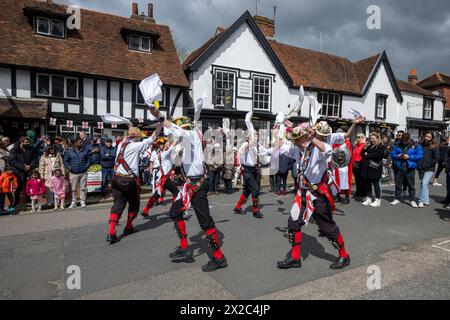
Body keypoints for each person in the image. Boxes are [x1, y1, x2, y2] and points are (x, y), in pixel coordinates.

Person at [157, 112, 228, 272]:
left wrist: (162, 119)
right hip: (190, 185)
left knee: (205, 222)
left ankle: (219, 257)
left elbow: (180, 133)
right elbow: (178, 161)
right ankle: (185, 247)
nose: (175, 137)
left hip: (198, 185)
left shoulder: (191, 135)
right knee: (175, 212)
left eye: (177, 133)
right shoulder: (187, 143)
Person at [277, 122, 350, 270]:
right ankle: (295, 258)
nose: (294, 142)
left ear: (304, 138)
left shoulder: (317, 148)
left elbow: (328, 151)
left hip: (318, 195)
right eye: (293, 140)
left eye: (296, 139)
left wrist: (313, 139)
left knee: (327, 227)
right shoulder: (297, 150)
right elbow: (281, 147)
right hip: (303, 193)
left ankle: (344, 255)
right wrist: (278, 128)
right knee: (293, 223)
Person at [107, 122, 163, 244]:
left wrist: (130, 127)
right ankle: (128, 227)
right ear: (136, 137)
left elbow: (128, 136)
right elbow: (153, 137)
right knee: (134, 204)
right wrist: (160, 125)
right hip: (129, 181)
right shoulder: (137, 146)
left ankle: (111, 232)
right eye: (139, 136)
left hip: (116, 178)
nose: (141, 138)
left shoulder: (121, 144)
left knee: (118, 204)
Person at [234, 112, 263, 218]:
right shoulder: (247, 144)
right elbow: (239, 153)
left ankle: (237, 207)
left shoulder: (255, 146)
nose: (257, 136)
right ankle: (255, 210)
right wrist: (239, 165)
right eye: (255, 135)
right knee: (255, 190)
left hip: (254, 170)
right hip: (247, 170)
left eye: (257, 135)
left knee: (247, 190)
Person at [141, 138, 179, 218]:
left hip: (163, 177)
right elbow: (172, 146)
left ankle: (145, 210)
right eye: (162, 144)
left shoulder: (164, 153)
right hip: (165, 178)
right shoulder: (165, 154)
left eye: (164, 144)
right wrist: (177, 138)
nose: (165, 144)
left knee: (157, 195)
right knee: (177, 193)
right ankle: (175, 211)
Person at [390, 133, 423, 208]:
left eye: (406, 141)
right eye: (403, 140)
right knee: (398, 184)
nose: (404, 142)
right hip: (399, 166)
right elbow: (392, 154)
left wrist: (409, 156)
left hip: (410, 167)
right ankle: (397, 198)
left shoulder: (416, 145)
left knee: (411, 185)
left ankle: (412, 200)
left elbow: (420, 155)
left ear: (409, 139)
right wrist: (397, 156)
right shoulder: (396, 144)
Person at [9, 136, 38, 211]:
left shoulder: (30, 149)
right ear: (21, 142)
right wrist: (22, 167)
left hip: (28, 171)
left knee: (30, 187)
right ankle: (15, 204)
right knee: (18, 189)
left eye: (28, 142)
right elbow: (12, 161)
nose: (28, 143)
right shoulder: (14, 150)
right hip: (18, 172)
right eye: (26, 142)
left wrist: (30, 166)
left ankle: (29, 202)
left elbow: (34, 159)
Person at [360, 133, 386, 207]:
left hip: (375, 168)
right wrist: (365, 148)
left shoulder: (381, 146)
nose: (372, 140)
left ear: (377, 138)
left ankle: (378, 200)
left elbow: (378, 155)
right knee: (367, 183)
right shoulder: (369, 146)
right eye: (371, 138)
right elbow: (362, 154)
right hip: (367, 168)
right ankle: (369, 198)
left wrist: (367, 155)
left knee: (376, 183)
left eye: (373, 138)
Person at [64, 138, 91, 209]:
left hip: (83, 172)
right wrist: (70, 168)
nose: (81, 143)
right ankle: (74, 202)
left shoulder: (86, 151)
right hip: (73, 173)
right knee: (73, 188)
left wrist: (86, 167)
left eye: (82, 142)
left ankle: (82, 201)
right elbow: (65, 161)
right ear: (75, 143)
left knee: (83, 188)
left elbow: (89, 160)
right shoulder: (69, 152)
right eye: (80, 142)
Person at [417, 132, 439, 208]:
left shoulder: (434, 146)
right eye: (426, 136)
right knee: (423, 185)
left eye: (429, 137)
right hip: (420, 168)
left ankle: (421, 200)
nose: (427, 138)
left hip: (429, 169)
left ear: (432, 138)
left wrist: (428, 164)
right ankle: (426, 200)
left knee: (424, 183)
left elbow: (437, 158)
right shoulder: (420, 144)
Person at [352, 134, 366, 201]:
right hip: (355, 164)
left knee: (361, 180)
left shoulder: (364, 145)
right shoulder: (356, 146)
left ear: (362, 138)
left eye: (359, 137)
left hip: (361, 164)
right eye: (356, 137)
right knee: (357, 180)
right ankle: (358, 192)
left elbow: (363, 155)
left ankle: (362, 193)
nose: (357, 138)